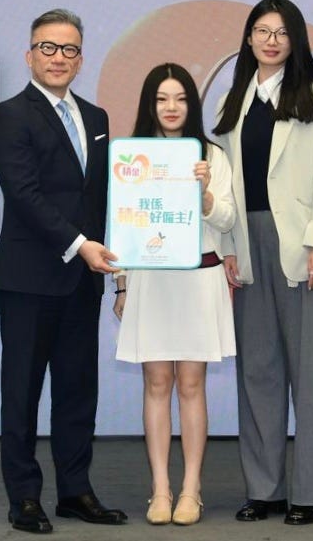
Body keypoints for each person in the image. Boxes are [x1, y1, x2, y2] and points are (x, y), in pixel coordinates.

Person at [0, 8, 128, 535]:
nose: (58, 58)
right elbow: (24, 195)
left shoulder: (96, 118)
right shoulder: (8, 115)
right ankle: (24, 497)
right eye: (48, 47)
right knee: (22, 392)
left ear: (81, 59)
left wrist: (119, 268)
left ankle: (75, 490)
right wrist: (81, 245)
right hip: (28, 278)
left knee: (77, 390)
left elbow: (105, 199)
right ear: (29, 55)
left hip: (83, 281)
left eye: (69, 49)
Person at [212, 0, 313, 527]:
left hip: (303, 248)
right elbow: (224, 185)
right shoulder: (232, 101)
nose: (271, 40)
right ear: (248, 38)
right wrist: (226, 248)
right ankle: (263, 489)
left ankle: (311, 493)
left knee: (308, 376)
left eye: (282, 32)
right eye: (262, 31)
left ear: (295, 41)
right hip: (247, 245)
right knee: (257, 372)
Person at [112, 63, 237, 527]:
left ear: (192, 104)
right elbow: (121, 223)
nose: (171, 107)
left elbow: (227, 219)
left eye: (180, 98)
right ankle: (161, 488)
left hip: (198, 278)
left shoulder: (212, 155)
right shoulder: (133, 157)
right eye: (162, 98)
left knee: (191, 385)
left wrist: (204, 194)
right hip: (151, 280)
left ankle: (191, 489)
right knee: (157, 384)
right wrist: (121, 283)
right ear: (150, 104)